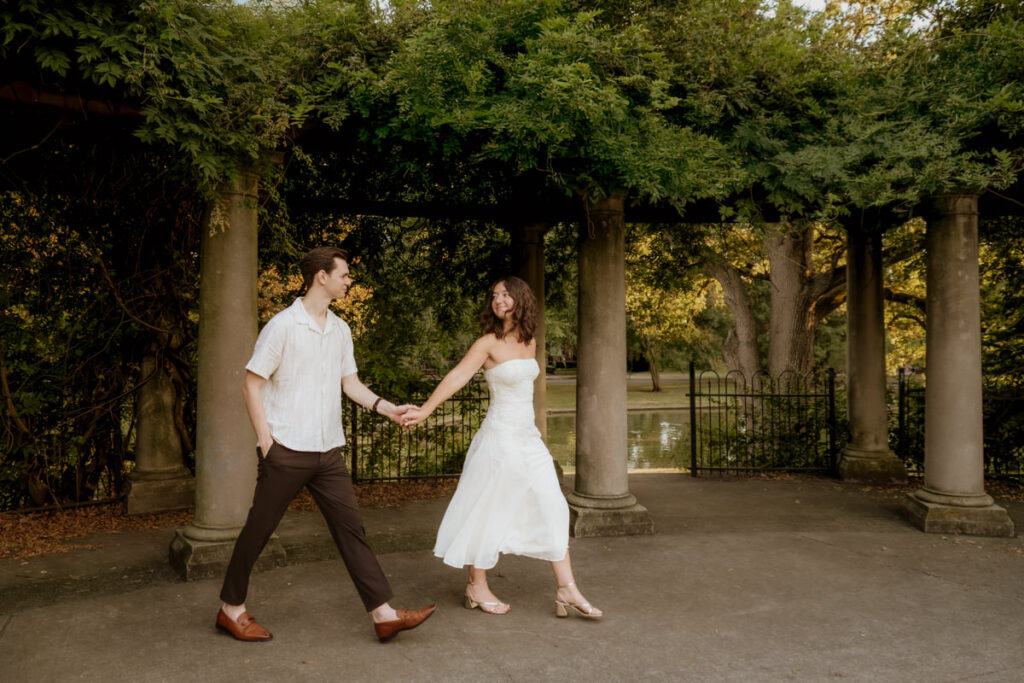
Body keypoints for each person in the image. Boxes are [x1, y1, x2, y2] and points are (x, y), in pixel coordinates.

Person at [216, 246, 436, 643]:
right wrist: (267, 443)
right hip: (287, 450)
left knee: (352, 530)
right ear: (321, 276)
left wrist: (387, 408)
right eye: (344, 274)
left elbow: (349, 384)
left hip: (328, 452)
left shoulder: (340, 329)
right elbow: (252, 383)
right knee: (258, 531)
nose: (349, 280)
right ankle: (231, 610)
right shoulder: (282, 326)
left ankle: (384, 614)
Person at [402, 276, 602, 619]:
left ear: (521, 299)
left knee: (553, 505)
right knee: (487, 508)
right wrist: (426, 410)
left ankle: (567, 588)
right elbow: (456, 377)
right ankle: (476, 585)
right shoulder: (487, 344)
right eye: (495, 295)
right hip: (499, 438)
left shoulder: (531, 341)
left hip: (529, 439)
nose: (498, 300)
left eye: (506, 294)